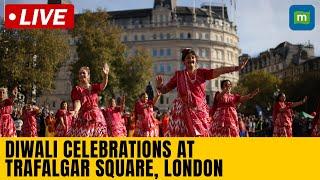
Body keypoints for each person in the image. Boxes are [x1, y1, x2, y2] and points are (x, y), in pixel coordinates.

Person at [156, 49, 249, 137]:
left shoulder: (202, 73)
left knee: (201, 134)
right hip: (183, 111)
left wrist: (236, 68)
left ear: (196, 60)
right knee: (184, 135)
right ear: (184, 62)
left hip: (200, 110)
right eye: (188, 58)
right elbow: (165, 90)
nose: (191, 59)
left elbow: (219, 70)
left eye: (193, 57)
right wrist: (160, 86)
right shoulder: (179, 75)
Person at [67, 64, 109, 137]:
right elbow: (78, 102)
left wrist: (105, 75)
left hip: (97, 117)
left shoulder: (93, 87)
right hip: (84, 118)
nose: (81, 75)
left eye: (83, 73)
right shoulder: (77, 89)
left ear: (88, 75)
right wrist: (76, 110)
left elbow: (102, 86)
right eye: (80, 73)